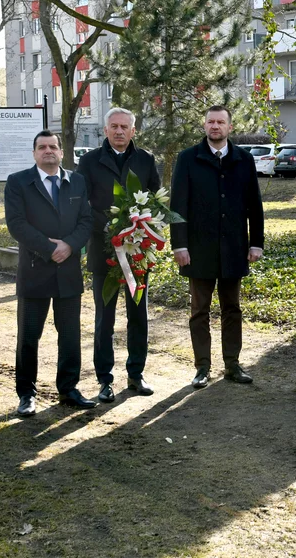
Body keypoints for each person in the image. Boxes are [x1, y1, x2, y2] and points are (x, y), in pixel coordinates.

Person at [170, 105, 265, 389]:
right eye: (210, 121)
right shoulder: (188, 159)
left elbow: (254, 205)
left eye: (220, 122)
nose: (215, 126)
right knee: (199, 310)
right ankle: (202, 367)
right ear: (204, 126)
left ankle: (232, 364)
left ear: (229, 127)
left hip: (234, 248)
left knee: (232, 309)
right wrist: (179, 245)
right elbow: (178, 206)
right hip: (197, 249)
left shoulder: (244, 159)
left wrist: (256, 242)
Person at [5, 130, 94, 415]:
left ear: (61, 152)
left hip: (68, 272)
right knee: (29, 336)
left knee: (70, 335)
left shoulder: (76, 181)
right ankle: (26, 394)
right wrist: (48, 248)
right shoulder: (18, 182)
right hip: (34, 271)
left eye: (53, 146)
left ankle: (68, 389)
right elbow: (16, 224)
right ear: (34, 153)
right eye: (42, 147)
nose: (48, 151)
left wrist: (69, 245)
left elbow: (86, 220)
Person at [77, 108, 162, 403]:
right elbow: (82, 205)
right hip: (105, 252)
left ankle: (136, 373)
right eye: (113, 126)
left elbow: (155, 201)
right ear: (105, 130)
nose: (119, 131)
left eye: (124, 126)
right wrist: (112, 228)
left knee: (138, 316)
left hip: (138, 251)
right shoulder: (88, 162)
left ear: (133, 131)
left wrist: (137, 228)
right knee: (105, 319)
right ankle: (104, 379)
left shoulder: (146, 160)